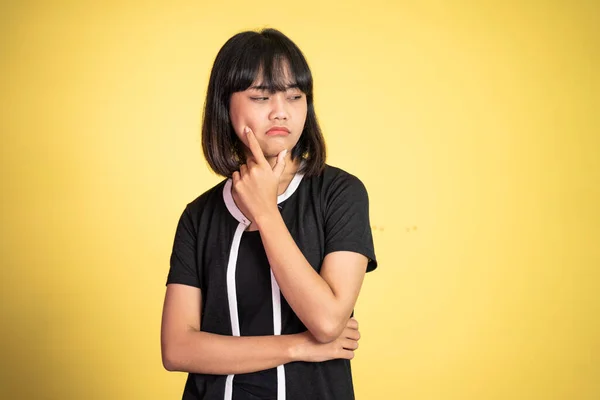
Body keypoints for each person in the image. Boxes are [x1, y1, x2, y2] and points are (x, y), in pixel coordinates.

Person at [161, 28, 377, 400]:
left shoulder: (340, 193)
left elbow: (326, 321)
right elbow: (177, 349)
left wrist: (265, 212)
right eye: (261, 97)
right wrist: (296, 347)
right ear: (224, 106)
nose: (281, 111)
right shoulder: (199, 216)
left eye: (295, 96)